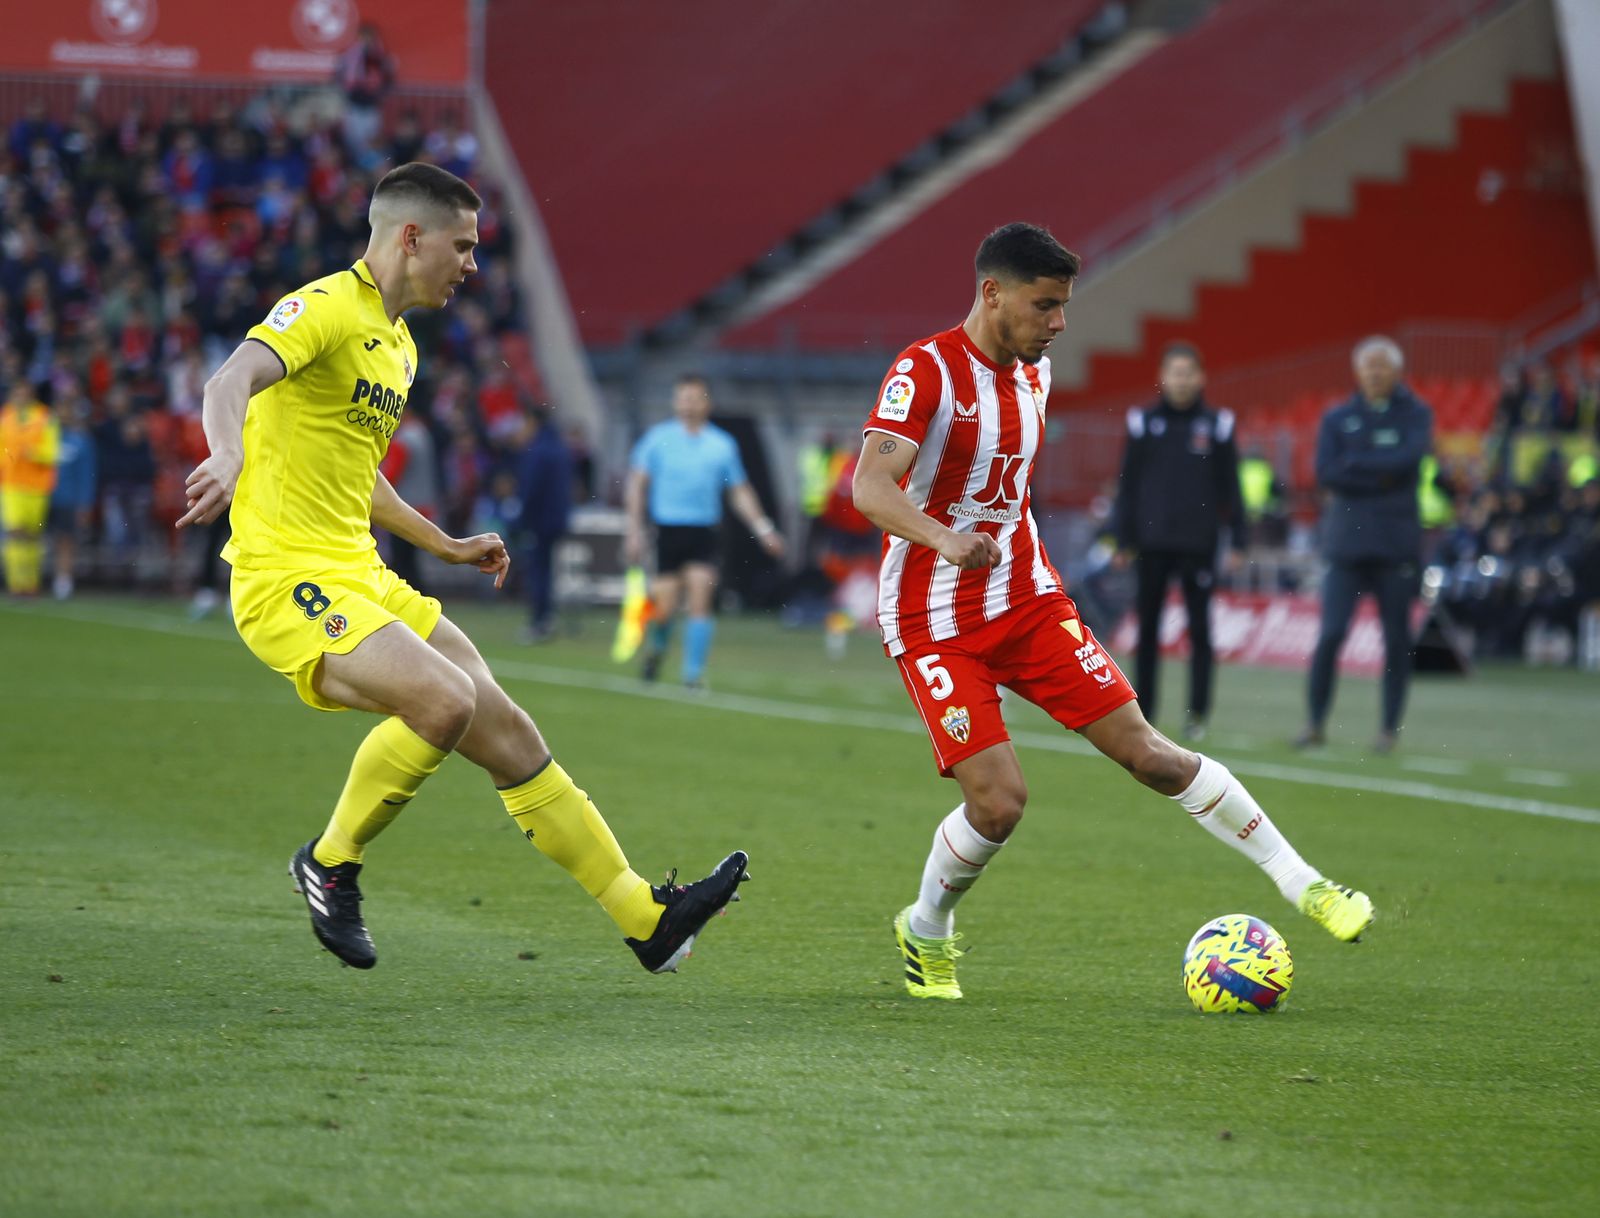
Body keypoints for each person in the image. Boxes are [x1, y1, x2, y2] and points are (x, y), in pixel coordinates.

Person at [176, 163, 747, 974]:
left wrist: (442, 542)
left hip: (361, 575)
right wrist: (227, 452)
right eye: (464, 246)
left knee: (508, 730)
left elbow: (357, 471)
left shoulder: (399, 346)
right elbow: (230, 378)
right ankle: (329, 863)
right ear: (412, 238)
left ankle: (644, 917)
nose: (473, 265)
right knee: (444, 701)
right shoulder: (325, 308)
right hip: (284, 578)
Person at [851, 222, 1373, 1001]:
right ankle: (926, 929)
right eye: (1045, 305)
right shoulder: (924, 372)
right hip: (933, 622)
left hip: (1026, 602)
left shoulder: (1036, 373)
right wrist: (944, 538)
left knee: (1153, 755)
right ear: (993, 294)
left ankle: (1306, 884)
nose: (1059, 322)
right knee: (999, 804)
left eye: (1064, 306)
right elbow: (869, 486)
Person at [1296, 336, 1433, 754]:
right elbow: (1326, 472)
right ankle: (1314, 723)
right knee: (1331, 634)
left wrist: (1355, 463)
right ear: (1357, 371)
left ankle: (1388, 730)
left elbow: (1409, 461)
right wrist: (1381, 472)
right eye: (1368, 366)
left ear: (1397, 371)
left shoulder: (1416, 413)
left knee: (1396, 641)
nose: (1374, 373)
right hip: (1345, 545)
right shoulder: (1338, 417)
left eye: (1382, 365)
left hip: (1396, 546)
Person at [1110, 343, 1246, 740]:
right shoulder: (1142, 422)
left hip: (1198, 545)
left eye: (1188, 373)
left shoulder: (1218, 425)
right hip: (1150, 544)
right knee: (1147, 632)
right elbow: (1127, 485)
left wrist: (1238, 540)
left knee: (1200, 632)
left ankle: (1197, 715)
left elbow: (1231, 486)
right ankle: (1145, 714)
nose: (1181, 380)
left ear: (1201, 377)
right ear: (1163, 377)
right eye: (1175, 372)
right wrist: (1122, 539)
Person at [624, 374, 785, 687]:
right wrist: (633, 529)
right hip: (667, 529)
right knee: (665, 608)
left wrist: (764, 529)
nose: (689, 404)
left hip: (704, 531)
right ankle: (656, 651)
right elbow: (637, 484)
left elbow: (739, 490)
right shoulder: (658, 439)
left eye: (695, 398)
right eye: (683, 398)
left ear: (706, 403)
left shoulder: (721, 445)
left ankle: (693, 675)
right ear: (675, 402)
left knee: (700, 600)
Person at [514, 406, 573, 643]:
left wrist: (521, 519)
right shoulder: (558, 446)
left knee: (538, 571)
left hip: (539, 520)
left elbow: (531, 489)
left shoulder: (537, 450)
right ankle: (547, 617)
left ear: (532, 421)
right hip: (557, 518)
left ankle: (540, 621)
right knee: (547, 570)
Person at [0, 378, 60, 596]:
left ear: (31, 395)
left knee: (32, 535)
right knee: (15, 532)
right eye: (18, 393)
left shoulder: (45, 417)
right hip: (12, 484)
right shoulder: (5, 416)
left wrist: (34, 453)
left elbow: (53, 452)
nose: (21, 397)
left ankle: (31, 583)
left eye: (24, 393)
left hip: (37, 486)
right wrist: (10, 458)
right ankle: (16, 583)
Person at [47, 393, 97, 600]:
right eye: (59, 409)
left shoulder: (80, 441)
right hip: (42, 496)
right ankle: (30, 579)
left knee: (65, 540)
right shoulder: (43, 438)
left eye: (66, 410)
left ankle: (63, 581)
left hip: (67, 499)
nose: (62, 414)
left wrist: (85, 503)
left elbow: (87, 475)